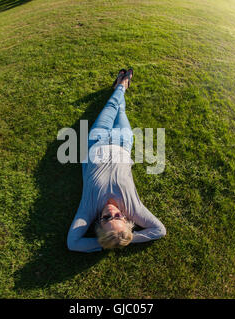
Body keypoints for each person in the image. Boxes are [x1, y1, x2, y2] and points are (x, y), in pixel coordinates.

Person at [66, 68, 166, 252]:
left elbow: (73, 243)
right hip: (123, 141)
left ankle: (122, 84)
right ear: (127, 220)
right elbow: (159, 230)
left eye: (106, 219)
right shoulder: (133, 209)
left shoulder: (88, 210)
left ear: (98, 224)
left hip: (97, 140)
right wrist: (126, 238)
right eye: (118, 217)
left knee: (111, 107)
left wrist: (107, 243)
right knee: (121, 109)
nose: (112, 213)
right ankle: (122, 85)